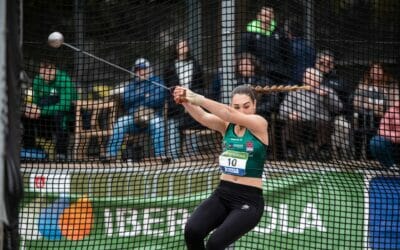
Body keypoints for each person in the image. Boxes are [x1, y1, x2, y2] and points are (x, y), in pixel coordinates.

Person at [173, 85, 268, 249]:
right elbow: (202, 116)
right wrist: (186, 101)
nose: (242, 111)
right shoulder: (226, 126)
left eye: (246, 106)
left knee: (215, 244)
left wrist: (198, 98)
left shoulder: (259, 124)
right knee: (192, 231)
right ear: (231, 106)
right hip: (223, 194)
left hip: (249, 200)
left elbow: (228, 113)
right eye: (236, 107)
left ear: (254, 105)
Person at [106, 58, 167, 160]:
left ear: (149, 69)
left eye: (143, 69)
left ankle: (161, 155)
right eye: (138, 69)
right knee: (121, 122)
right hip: (134, 119)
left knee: (158, 123)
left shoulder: (157, 81)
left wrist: (138, 97)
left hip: (152, 118)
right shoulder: (131, 84)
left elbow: (159, 99)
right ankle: (111, 155)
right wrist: (145, 95)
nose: (141, 71)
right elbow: (126, 100)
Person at [278, 67, 343, 160]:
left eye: (310, 78)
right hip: (300, 122)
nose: (306, 81)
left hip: (319, 122)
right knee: (291, 124)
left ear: (318, 80)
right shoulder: (295, 91)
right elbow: (283, 109)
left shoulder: (327, 91)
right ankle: (291, 151)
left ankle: (322, 152)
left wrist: (327, 97)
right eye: (305, 78)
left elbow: (338, 108)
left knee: (325, 124)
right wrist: (290, 114)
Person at [21, 60, 77, 161]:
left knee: (58, 113)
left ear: (55, 69)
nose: (46, 73)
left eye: (50, 69)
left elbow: (65, 105)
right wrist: (32, 110)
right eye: (43, 70)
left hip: (68, 116)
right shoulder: (37, 80)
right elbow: (35, 101)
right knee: (27, 115)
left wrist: (41, 111)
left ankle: (61, 153)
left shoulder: (64, 79)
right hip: (45, 117)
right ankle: (30, 151)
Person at [164, 39, 205, 159]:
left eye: (185, 45)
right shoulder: (169, 67)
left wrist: (191, 101)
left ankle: (192, 155)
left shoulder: (195, 64)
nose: (183, 48)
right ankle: (173, 156)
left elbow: (201, 85)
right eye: (180, 46)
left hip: (192, 102)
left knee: (194, 124)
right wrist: (178, 102)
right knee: (173, 126)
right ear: (176, 48)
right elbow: (168, 88)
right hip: (175, 106)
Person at [352, 63, 399, 159]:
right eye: (373, 69)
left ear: (384, 72)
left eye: (378, 69)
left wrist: (377, 109)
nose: (376, 72)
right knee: (362, 120)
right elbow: (356, 103)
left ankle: (374, 157)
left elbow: (394, 105)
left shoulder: (392, 86)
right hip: (364, 117)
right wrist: (374, 107)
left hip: (385, 119)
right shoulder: (363, 85)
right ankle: (358, 157)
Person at [239, 6, 290, 83]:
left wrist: (285, 71)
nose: (267, 19)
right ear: (259, 16)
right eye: (264, 15)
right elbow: (243, 54)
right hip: (258, 76)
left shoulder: (280, 32)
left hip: (279, 75)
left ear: (273, 17)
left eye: (269, 15)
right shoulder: (249, 34)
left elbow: (287, 53)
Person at [369, 100, 400, 169]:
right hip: (393, 145)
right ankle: (392, 168)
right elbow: (381, 130)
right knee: (376, 142)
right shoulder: (392, 110)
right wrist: (395, 137)